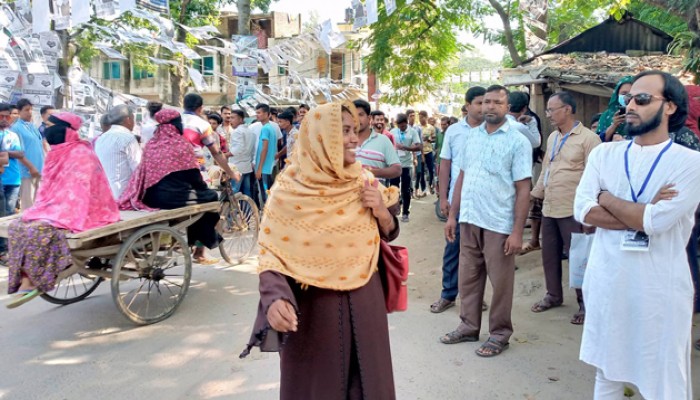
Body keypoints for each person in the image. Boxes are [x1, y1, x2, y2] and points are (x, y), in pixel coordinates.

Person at [240, 102, 400, 399]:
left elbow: (388, 232)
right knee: (317, 386)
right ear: (320, 138)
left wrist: (381, 211)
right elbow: (272, 253)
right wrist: (274, 299)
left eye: (355, 131)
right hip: (314, 311)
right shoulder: (288, 191)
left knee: (369, 383)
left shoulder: (362, 179)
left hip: (365, 301)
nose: (355, 138)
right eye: (345, 132)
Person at [574, 70, 700, 398]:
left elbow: (656, 223)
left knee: (663, 381)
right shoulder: (604, 154)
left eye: (642, 99)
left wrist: (607, 199)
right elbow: (583, 211)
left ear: (669, 106)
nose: (630, 105)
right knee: (607, 374)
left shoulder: (690, 163)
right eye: (627, 98)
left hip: (659, 290)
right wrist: (640, 211)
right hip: (607, 283)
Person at [442, 85, 532, 357]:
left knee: (500, 283)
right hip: (469, 219)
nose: (490, 107)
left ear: (507, 108)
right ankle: (468, 326)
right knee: (468, 279)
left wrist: (518, 232)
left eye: (497, 103)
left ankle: (500, 334)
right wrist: (453, 216)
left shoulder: (518, 141)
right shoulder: (472, 137)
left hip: (498, 223)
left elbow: (524, 188)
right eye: (487, 102)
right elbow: (462, 177)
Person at [5, 112, 119, 308]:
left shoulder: (82, 153)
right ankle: (25, 278)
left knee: (39, 230)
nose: (46, 130)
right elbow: (48, 188)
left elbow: (81, 191)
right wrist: (46, 208)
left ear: (65, 129)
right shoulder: (55, 153)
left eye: (49, 125)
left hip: (85, 209)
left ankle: (32, 279)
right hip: (54, 205)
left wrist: (59, 212)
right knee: (18, 226)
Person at [119, 109, 227, 264]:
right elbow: (193, 177)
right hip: (172, 197)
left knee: (200, 197)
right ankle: (200, 248)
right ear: (176, 124)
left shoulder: (151, 144)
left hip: (150, 197)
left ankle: (193, 243)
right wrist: (204, 187)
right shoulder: (181, 144)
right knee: (210, 197)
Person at [529, 91, 601, 325]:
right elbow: (547, 169)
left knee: (578, 257)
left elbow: (596, 178)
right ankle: (553, 295)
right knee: (549, 254)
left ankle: (585, 302)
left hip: (574, 209)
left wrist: (590, 213)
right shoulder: (553, 138)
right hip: (550, 206)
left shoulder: (589, 139)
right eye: (548, 109)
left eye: (552, 109)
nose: (548, 114)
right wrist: (535, 195)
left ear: (567, 110)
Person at [431, 86, 486, 314]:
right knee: (453, 248)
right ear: (467, 105)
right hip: (458, 200)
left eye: (487, 103)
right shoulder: (453, 131)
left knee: (479, 252)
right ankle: (448, 294)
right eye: (479, 103)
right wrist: (444, 197)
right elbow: (445, 166)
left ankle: (473, 296)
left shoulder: (491, 130)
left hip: (484, 200)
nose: (484, 107)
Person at [181, 93, 238, 180]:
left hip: (171, 170)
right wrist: (231, 173)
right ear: (200, 108)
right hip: (194, 169)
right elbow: (216, 152)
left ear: (183, 105)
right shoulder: (202, 125)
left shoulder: (172, 121)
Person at [94, 105, 142, 200]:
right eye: (133, 118)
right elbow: (139, 168)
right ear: (128, 119)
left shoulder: (101, 139)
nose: (134, 122)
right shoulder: (128, 138)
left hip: (104, 195)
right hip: (124, 195)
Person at [353, 99, 401, 180]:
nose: (357, 119)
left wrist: (370, 173)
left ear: (369, 119)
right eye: (353, 115)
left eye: (360, 115)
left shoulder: (383, 140)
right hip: (349, 191)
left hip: (376, 190)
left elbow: (397, 169)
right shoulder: (345, 141)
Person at [11, 99, 44, 210]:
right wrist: (31, 167)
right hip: (27, 171)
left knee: (39, 204)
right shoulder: (16, 128)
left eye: (31, 110)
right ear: (19, 112)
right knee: (28, 205)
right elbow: (18, 153)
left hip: (39, 169)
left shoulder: (32, 126)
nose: (29, 112)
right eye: (26, 110)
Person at [390, 113, 421, 222]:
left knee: (406, 190)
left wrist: (406, 147)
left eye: (403, 126)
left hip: (406, 165)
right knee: (393, 189)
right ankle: (393, 210)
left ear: (406, 123)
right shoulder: (392, 132)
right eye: (399, 126)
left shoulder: (413, 132)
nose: (401, 128)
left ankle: (405, 212)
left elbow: (419, 146)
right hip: (394, 164)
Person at [228, 109, 256, 199]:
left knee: (234, 191)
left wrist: (225, 155)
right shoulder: (249, 131)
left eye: (233, 118)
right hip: (246, 165)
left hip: (237, 166)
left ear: (241, 119)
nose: (230, 120)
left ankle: (233, 212)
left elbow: (238, 149)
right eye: (230, 118)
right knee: (246, 192)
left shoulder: (237, 132)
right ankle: (249, 211)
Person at [253, 103, 278, 206]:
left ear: (266, 114)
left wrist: (259, 168)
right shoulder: (271, 128)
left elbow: (265, 148)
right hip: (268, 166)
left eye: (259, 113)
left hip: (264, 168)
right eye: (256, 113)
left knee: (265, 194)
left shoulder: (265, 129)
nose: (257, 115)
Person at [597, 76, 633, 142]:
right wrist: (614, 125)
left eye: (630, 94)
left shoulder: (643, 115)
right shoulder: (607, 115)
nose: (627, 97)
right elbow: (598, 141)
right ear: (617, 94)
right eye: (624, 93)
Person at [417, 110, 436, 195]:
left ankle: (431, 185)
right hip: (420, 153)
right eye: (419, 117)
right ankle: (423, 189)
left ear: (426, 117)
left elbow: (434, 138)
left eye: (422, 117)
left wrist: (429, 139)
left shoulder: (431, 128)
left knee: (431, 170)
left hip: (429, 152)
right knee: (421, 171)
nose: (420, 119)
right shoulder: (417, 128)